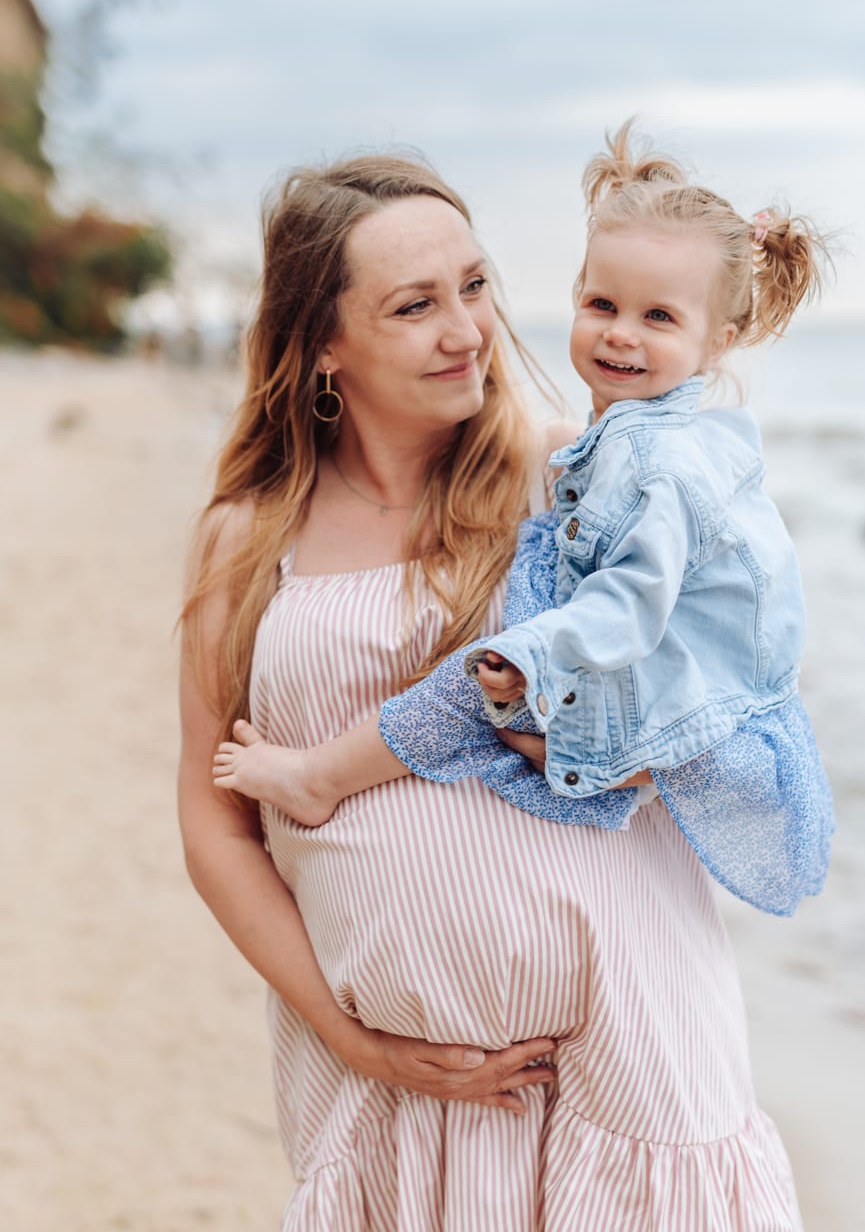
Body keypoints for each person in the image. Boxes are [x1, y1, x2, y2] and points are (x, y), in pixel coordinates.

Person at [182, 149, 805, 1229]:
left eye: (475, 286)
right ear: (322, 342)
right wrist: (351, 1035)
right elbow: (215, 822)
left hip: (630, 1052)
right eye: (416, 304)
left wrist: (624, 748)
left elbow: (731, 684)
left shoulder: (573, 481)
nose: (467, 331)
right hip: (397, 1086)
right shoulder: (246, 540)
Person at [213, 123, 834, 919]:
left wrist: (539, 658)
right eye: (601, 303)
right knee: (488, 707)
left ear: (718, 341)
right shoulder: (622, 446)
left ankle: (318, 778)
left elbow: (648, 607)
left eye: (657, 318)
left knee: (464, 691)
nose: (619, 332)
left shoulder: (656, 462)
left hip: (650, 739)